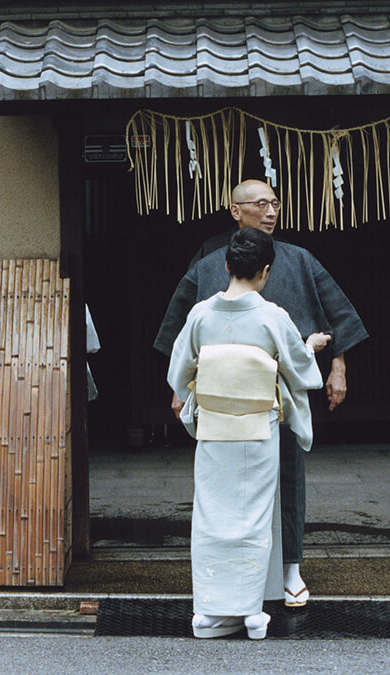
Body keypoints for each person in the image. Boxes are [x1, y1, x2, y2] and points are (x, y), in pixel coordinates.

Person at [155, 179, 368, 607]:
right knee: (219, 491)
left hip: (276, 397)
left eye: (275, 202)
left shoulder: (299, 260)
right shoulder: (209, 262)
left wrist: (338, 365)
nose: (271, 211)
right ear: (235, 211)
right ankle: (222, 578)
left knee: (286, 475)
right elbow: (181, 332)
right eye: (260, 204)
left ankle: (290, 566)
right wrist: (181, 388)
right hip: (222, 401)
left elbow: (333, 315)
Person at [167, 227, 330, 639]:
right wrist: (310, 346)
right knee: (252, 520)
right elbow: (299, 371)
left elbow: (178, 373)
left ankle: (207, 610)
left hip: (214, 432)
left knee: (210, 518)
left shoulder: (201, 315)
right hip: (258, 432)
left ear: (226, 266)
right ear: (266, 271)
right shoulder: (273, 316)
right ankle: (249, 611)